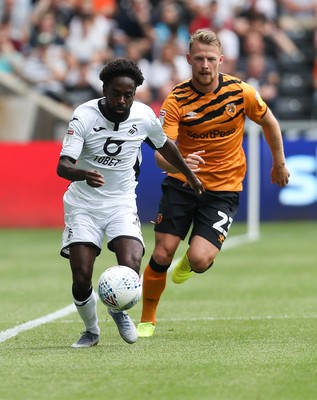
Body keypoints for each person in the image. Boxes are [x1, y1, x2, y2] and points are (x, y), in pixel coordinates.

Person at [137, 29, 290, 338]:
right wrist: (181, 163)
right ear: (188, 60)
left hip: (223, 188)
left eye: (210, 59)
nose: (204, 65)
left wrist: (279, 163)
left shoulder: (241, 92)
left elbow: (269, 122)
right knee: (163, 253)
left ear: (221, 60)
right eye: (198, 59)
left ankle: (190, 264)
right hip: (183, 183)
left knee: (200, 259)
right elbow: (159, 157)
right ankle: (148, 319)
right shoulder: (177, 98)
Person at [56, 58, 204, 348]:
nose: (122, 100)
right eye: (116, 93)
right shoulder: (84, 116)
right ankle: (91, 330)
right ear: (104, 89)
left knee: (131, 262)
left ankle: (118, 308)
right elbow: (62, 167)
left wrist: (188, 174)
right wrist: (83, 174)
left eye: (129, 94)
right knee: (82, 273)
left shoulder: (143, 115)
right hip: (84, 205)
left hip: (121, 202)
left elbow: (165, 146)